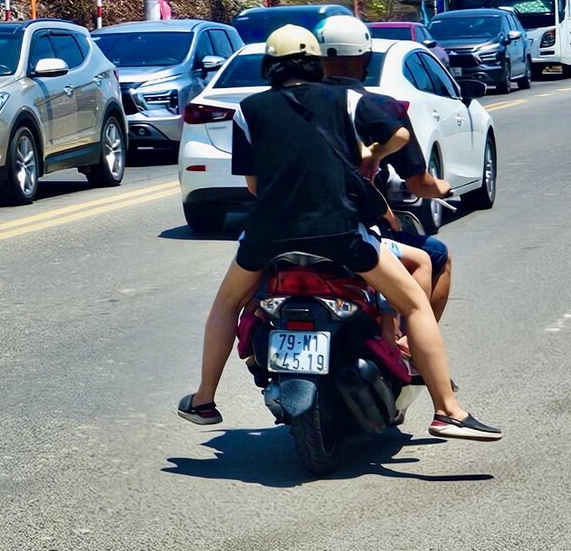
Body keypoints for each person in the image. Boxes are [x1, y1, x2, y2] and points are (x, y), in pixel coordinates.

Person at [177, 25, 499, 441]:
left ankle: (204, 400)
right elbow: (398, 132)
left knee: (226, 304)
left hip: (267, 236)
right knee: (415, 303)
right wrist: (371, 153)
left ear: (269, 67)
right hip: (340, 234)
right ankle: (447, 411)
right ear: (316, 63)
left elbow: (254, 187)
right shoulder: (348, 100)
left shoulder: (248, 110)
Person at [315, 14, 453, 322]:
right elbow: (419, 184)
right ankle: (411, 350)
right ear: (364, 59)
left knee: (233, 301)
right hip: (351, 230)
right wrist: (441, 187)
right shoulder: (376, 108)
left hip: (281, 230)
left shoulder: (292, 103)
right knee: (434, 257)